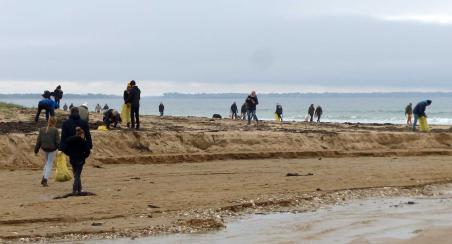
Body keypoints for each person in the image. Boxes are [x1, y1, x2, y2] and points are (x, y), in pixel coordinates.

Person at [63, 127, 90, 195]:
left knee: (76, 174)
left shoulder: (70, 140)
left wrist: (70, 154)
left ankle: (79, 189)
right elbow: (88, 152)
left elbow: (65, 149)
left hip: (73, 159)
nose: (84, 136)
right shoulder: (83, 141)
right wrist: (84, 156)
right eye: (83, 135)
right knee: (77, 175)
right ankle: (75, 189)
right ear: (81, 134)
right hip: (80, 160)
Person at [34, 117, 60, 187]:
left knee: (47, 163)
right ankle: (45, 179)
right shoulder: (55, 130)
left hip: (44, 148)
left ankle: (43, 177)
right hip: (52, 149)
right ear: (55, 122)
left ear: (48, 121)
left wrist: (36, 150)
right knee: (49, 164)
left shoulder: (42, 129)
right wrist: (60, 150)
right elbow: (57, 142)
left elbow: (38, 141)